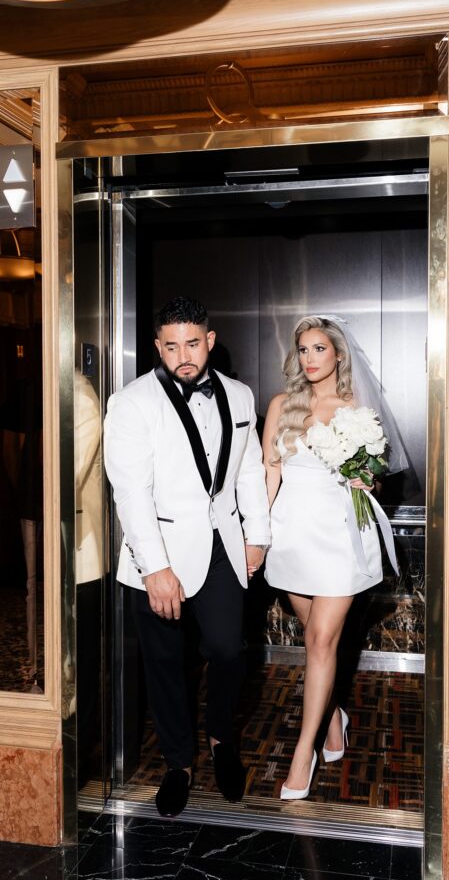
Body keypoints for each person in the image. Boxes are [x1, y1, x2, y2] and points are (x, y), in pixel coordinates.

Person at [104, 296, 270, 817]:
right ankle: (178, 763)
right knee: (165, 664)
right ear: (157, 346)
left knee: (227, 651)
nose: (183, 355)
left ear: (210, 341)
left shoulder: (240, 396)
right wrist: (156, 569)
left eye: (192, 343)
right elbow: (130, 492)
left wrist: (257, 535)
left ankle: (222, 739)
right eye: (171, 346)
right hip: (157, 553)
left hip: (222, 546)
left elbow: (247, 471)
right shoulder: (131, 402)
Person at [263, 315, 404, 800]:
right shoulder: (282, 405)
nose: (310, 358)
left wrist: (370, 480)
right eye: (303, 350)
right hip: (292, 536)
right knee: (314, 635)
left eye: (319, 349)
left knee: (321, 641)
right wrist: (257, 537)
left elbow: (377, 476)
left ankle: (303, 753)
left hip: (341, 537)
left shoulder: (357, 409)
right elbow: (270, 475)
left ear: (338, 354)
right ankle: (334, 713)